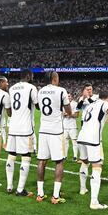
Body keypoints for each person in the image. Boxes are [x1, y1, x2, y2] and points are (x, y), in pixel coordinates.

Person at [36, 71, 72, 204]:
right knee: (59, 161)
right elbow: (68, 111)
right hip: (56, 131)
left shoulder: (40, 91)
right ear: (54, 78)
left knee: (41, 161)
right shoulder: (61, 90)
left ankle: (40, 194)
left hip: (43, 130)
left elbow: (40, 107)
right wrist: (65, 112)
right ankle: (55, 196)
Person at [5, 69, 38, 197]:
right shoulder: (31, 87)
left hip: (13, 127)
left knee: (11, 155)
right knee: (26, 157)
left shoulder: (12, 88)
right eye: (32, 75)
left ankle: (9, 186)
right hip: (25, 128)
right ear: (28, 76)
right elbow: (38, 105)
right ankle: (20, 189)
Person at [63, 93, 79, 161]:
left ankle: (75, 156)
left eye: (69, 96)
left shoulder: (75, 104)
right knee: (65, 142)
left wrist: (69, 114)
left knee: (74, 142)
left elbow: (77, 115)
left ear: (72, 97)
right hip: (64, 126)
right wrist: (63, 114)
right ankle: (65, 156)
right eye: (67, 96)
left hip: (72, 126)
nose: (68, 97)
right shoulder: (63, 104)